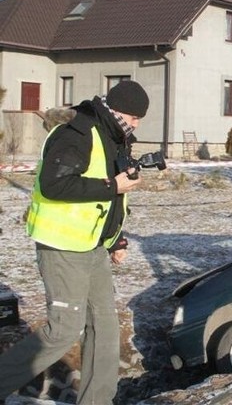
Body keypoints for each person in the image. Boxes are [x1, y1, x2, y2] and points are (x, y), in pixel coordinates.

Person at [0, 80, 150, 404]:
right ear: (116, 108)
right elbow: (55, 185)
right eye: (134, 117)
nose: (136, 124)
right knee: (64, 330)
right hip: (62, 249)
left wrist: (115, 240)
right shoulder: (77, 134)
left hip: (92, 247)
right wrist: (113, 184)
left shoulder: (114, 138)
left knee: (105, 327)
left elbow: (108, 201)